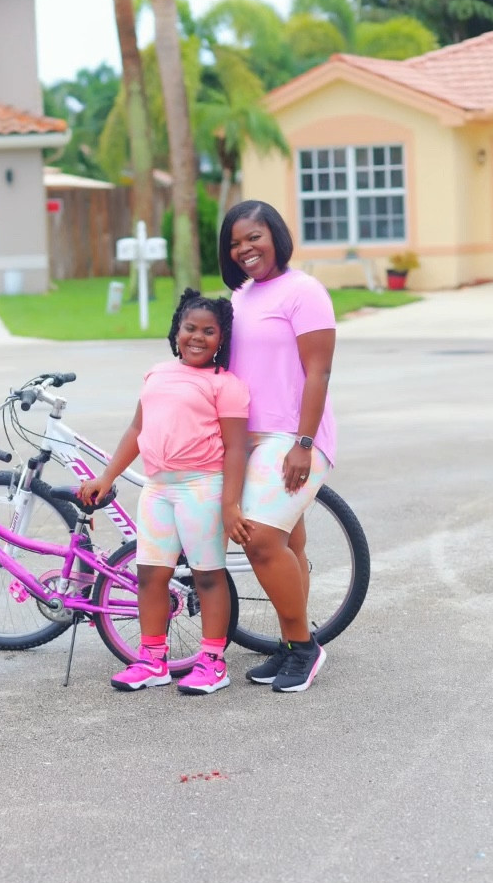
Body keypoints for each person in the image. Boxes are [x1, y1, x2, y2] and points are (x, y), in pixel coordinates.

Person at [77, 288, 250, 696]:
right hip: (158, 488)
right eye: (190, 327)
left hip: (201, 487)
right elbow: (137, 430)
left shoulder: (226, 386)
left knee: (207, 576)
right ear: (176, 331)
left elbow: (236, 448)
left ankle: (212, 661)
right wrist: (107, 476)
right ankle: (152, 659)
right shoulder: (156, 374)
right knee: (150, 575)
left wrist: (230, 504)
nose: (197, 337)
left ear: (221, 340)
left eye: (209, 331)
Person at [219, 199, 337, 694]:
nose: (245, 248)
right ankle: (292, 647)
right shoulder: (242, 297)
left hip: (293, 438)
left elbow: (319, 371)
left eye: (254, 237)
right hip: (251, 440)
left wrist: (303, 444)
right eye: (235, 243)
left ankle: (304, 648)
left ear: (276, 237)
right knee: (288, 542)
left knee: (262, 540)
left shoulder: (304, 291)